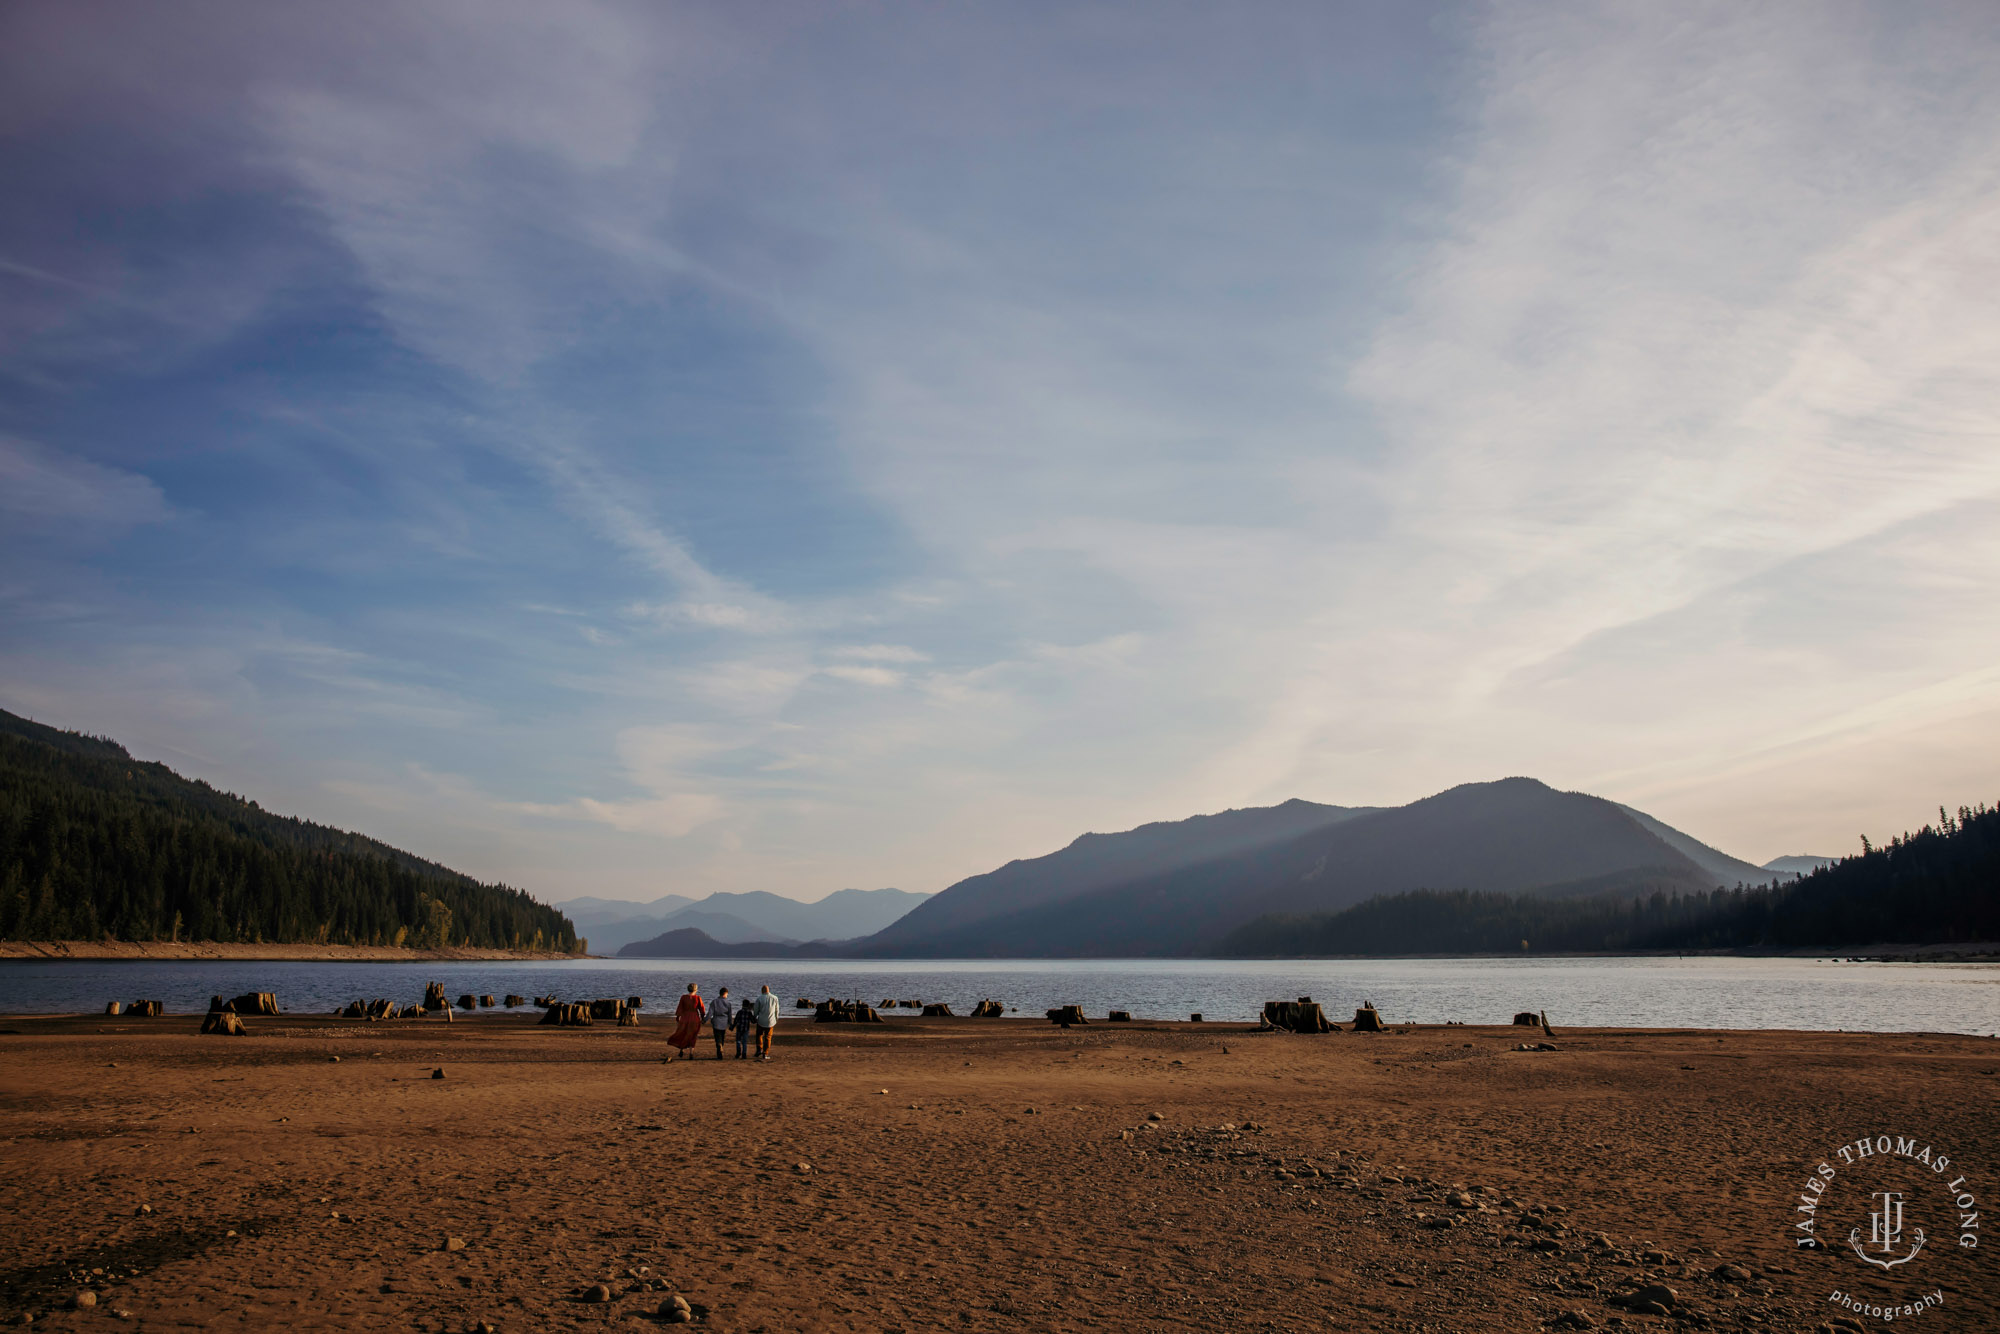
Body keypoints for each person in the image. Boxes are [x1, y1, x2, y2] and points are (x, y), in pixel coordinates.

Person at [668, 982, 705, 1061]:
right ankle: (691, 1053)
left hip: (685, 1018)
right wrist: (702, 1017)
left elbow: (680, 1008)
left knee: (683, 1033)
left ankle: (681, 1049)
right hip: (694, 1018)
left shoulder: (683, 997)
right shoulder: (698, 998)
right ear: (696, 990)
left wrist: (678, 1016)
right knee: (693, 1035)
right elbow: (702, 1009)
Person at [751, 983, 779, 1061]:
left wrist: (754, 1016)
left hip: (761, 1020)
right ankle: (765, 1053)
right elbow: (777, 1010)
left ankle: (759, 1049)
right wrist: (776, 1019)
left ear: (762, 991)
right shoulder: (775, 998)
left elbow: (756, 1010)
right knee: (768, 1037)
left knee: (759, 1035)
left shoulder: (759, 998)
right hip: (771, 1021)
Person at [709, 986, 735, 1060]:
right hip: (724, 1023)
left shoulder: (714, 1002)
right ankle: (721, 1047)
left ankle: (719, 1047)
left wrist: (705, 1020)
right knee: (722, 1036)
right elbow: (729, 1015)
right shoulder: (728, 1003)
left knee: (717, 1037)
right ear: (725, 994)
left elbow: (710, 1012)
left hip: (716, 1021)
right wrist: (731, 1024)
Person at [731, 992, 756, 1059]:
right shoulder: (749, 1013)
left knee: (738, 1041)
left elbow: (736, 1020)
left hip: (739, 1028)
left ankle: (738, 1052)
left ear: (742, 1005)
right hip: (746, 1029)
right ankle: (744, 1054)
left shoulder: (739, 1012)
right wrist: (756, 1018)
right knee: (744, 1042)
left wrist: (732, 1026)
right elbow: (753, 1021)